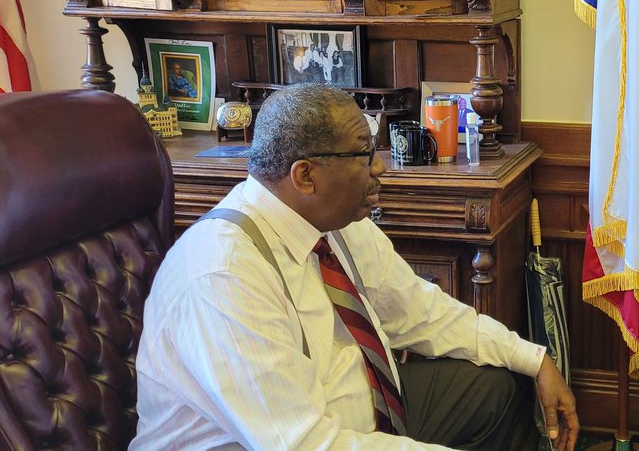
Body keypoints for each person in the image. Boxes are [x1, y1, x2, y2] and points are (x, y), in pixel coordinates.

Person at [131, 83, 578, 450]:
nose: (380, 167)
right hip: (293, 441)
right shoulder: (222, 276)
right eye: (363, 154)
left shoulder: (334, 220)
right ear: (305, 176)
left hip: (364, 406)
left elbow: (420, 310)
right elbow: (306, 443)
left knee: (502, 385)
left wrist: (534, 359)